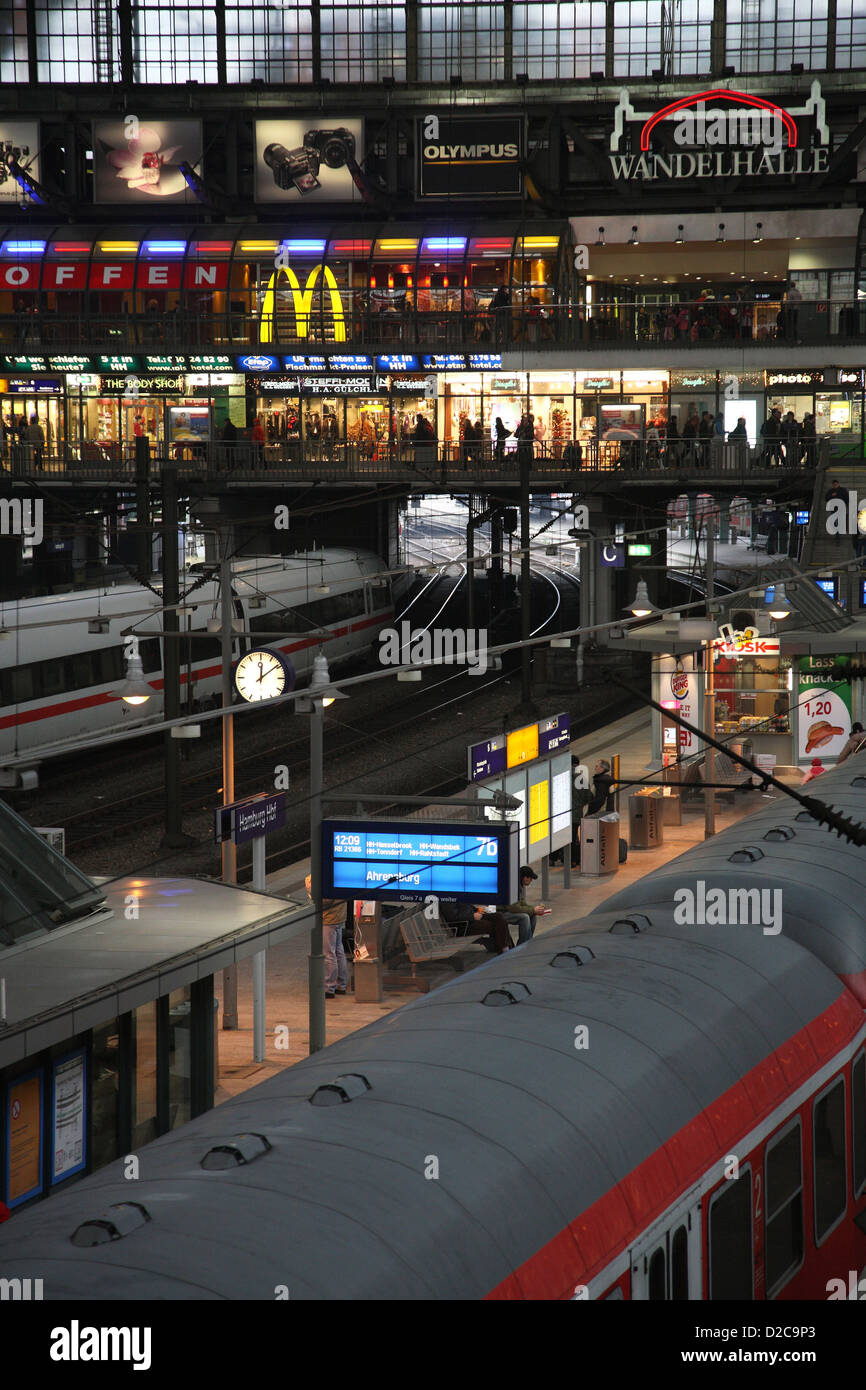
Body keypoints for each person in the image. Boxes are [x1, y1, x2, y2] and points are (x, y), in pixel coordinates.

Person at [305, 875, 348, 998]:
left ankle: (329, 987)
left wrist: (310, 891)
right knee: (339, 951)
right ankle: (341, 985)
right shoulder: (339, 871)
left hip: (328, 919)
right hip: (339, 917)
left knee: (329, 954)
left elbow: (325, 900)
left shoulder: (328, 875)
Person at [439, 899, 512, 954]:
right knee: (491, 925)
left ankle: (505, 947)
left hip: (471, 919)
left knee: (498, 916)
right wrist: (472, 916)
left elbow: (467, 907)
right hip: (463, 926)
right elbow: (452, 917)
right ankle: (504, 950)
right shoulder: (447, 898)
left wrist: (477, 910)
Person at [500, 866, 546, 946]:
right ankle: (522, 946)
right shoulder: (513, 886)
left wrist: (534, 909)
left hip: (507, 910)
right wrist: (533, 910)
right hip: (500, 912)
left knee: (532, 915)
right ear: (525, 878)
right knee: (524, 917)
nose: (531, 881)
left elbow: (522, 903)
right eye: (531, 879)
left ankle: (527, 942)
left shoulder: (518, 885)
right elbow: (514, 908)